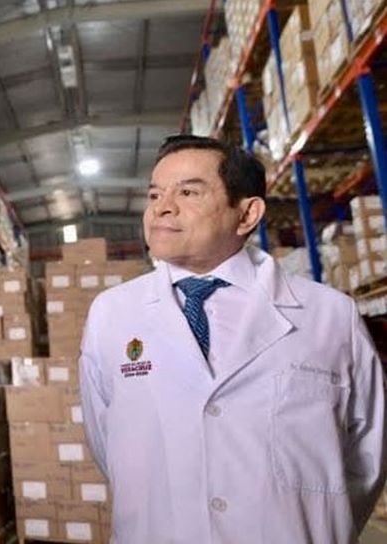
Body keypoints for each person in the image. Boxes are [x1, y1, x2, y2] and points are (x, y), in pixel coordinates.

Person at [79, 135, 387, 543]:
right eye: (155, 194)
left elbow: (366, 460)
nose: (162, 207)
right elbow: (107, 445)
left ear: (246, 214)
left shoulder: (330, 315)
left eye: (188, 192)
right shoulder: (111, 315)